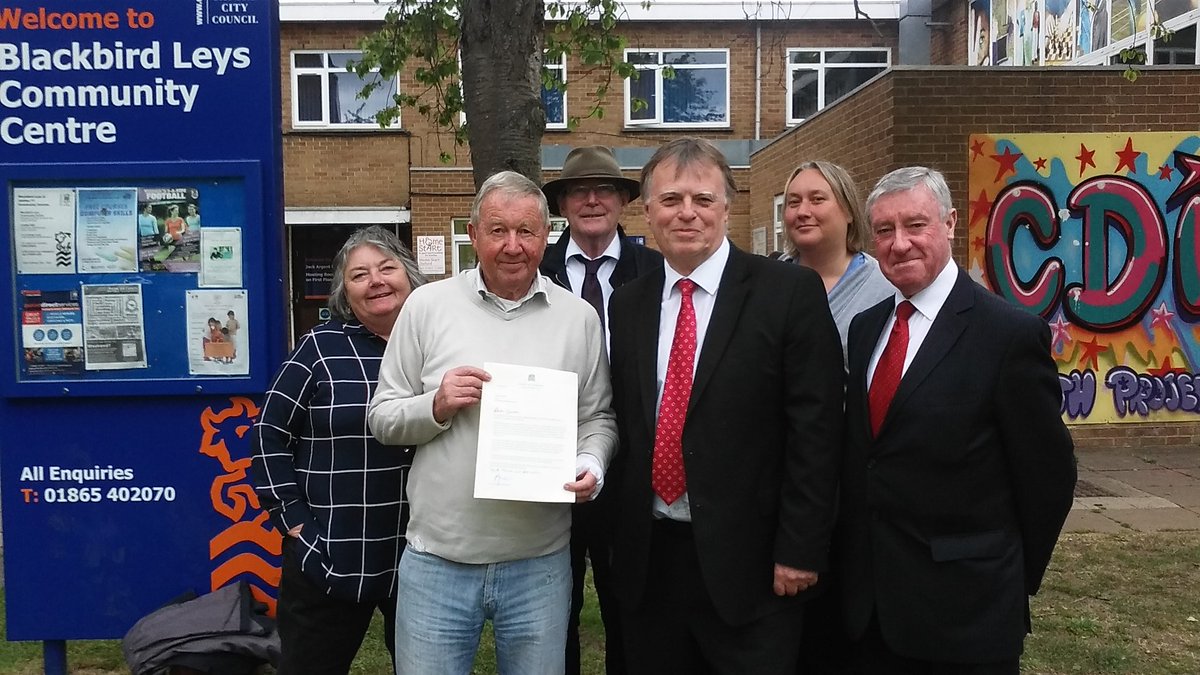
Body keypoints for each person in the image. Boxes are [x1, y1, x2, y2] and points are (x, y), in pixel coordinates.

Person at [607, 138, 845, 673]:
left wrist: (800, 548)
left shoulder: (788, 292)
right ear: (647, 212)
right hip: (651, 559)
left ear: (726, 208)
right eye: (670, 200)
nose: (686, 213)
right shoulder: (630, 304)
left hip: (753, 564)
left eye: (702, 199)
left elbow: (818, 431)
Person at [367, 171, 618, 675]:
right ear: (475, 234)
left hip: (539, 564)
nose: (512, 246)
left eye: (526, 232)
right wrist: (435, 406)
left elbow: (598, 417)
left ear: (546, 237)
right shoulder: (426, 307)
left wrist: (592, 461)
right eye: (498, 230)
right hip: (437, 559)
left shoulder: (579, 319)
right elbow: (383, 417)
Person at [836, 167, 1076, 674]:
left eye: (915, 225)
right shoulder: (866, 329)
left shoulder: (1007, 335)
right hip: (869, 613)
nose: (899, 244)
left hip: (966, 615)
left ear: (948, 224)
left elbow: (1048, 477)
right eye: (884, 230)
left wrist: (1004, 576)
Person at [250, 226, 428, 675]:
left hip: (420, 557)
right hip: (331, 553)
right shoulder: (320, 349)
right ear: (345, 293)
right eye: (360, 275)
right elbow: (268, 433)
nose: (377, 281)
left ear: (410, 276)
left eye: (387, 268)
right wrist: (293, 523)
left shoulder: (435, 346)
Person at [539, 145, 662, 675]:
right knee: (551, 606)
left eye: (604, 189)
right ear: (563, 203)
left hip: (634, 463)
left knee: (628, 603)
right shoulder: (534, 268)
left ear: (622, 201)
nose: (592, 199)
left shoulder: (656, 272)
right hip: (547, 459)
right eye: (578, 191)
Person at [779, 160, 896, 363]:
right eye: (793, 202)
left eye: (817, 199)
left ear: (848, 210)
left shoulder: (885, 288)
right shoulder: (767, 282)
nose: (802, 212)